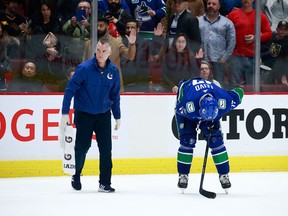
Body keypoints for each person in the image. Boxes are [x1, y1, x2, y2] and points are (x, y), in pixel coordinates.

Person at [59, 39, 121, 193]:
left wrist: (118, 116)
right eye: (98, 50)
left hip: (103, 115)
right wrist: (65, 112)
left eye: (103, 51)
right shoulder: (84, 69)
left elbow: (115, 96)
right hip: (84, 114)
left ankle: (104, 182)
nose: (100, 54)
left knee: (106, 149)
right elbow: (69, 90)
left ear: (109, 53)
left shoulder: (113, 71)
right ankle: (76, 175)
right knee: (82, 146)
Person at [174, 77, 244, 191]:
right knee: (188, 140)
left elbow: (239, 92)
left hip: (210, 115)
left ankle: (224, 175)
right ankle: (183, 175)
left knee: (216, 141)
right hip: (189, 111)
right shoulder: (187, 105)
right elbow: (178, 108)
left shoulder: (224, 100)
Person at [82, 16, 136, 92]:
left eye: (101, 26)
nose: (98, 28)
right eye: (96, 26)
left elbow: (130, 56)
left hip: (113, 86)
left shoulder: (116, 42)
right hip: (92, 86)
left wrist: (132, 44)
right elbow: (84, 63)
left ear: (107, 27)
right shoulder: (88, 44)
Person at [227, 0, 272, 88]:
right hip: (236, 55)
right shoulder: (233, 15)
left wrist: (256, 38)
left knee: (252, 85)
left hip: (253, 56)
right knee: (233, 85)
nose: (246, 0)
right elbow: (226, 33)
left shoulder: (260, 16)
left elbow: (269, 34)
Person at [198, 0, 236, 89]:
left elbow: (231, 42)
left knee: (219, 87)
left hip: (219, 61)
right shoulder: (198, 21)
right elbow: (193, 39)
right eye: (209, 4)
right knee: (201, 86)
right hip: (202, 61)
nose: (211, 5)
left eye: (214, 4)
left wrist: (224, 58)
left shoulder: (227, 23)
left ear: (218, 6)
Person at [261, 20, 288, 86]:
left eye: (285, 29)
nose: (283, 31)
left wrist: (284, 75)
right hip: (266, 67)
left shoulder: (287, 42)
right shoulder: (270, 38)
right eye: (281, 29)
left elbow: (285, 60)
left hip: (280, 70)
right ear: (277, 29)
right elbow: (262, 50)